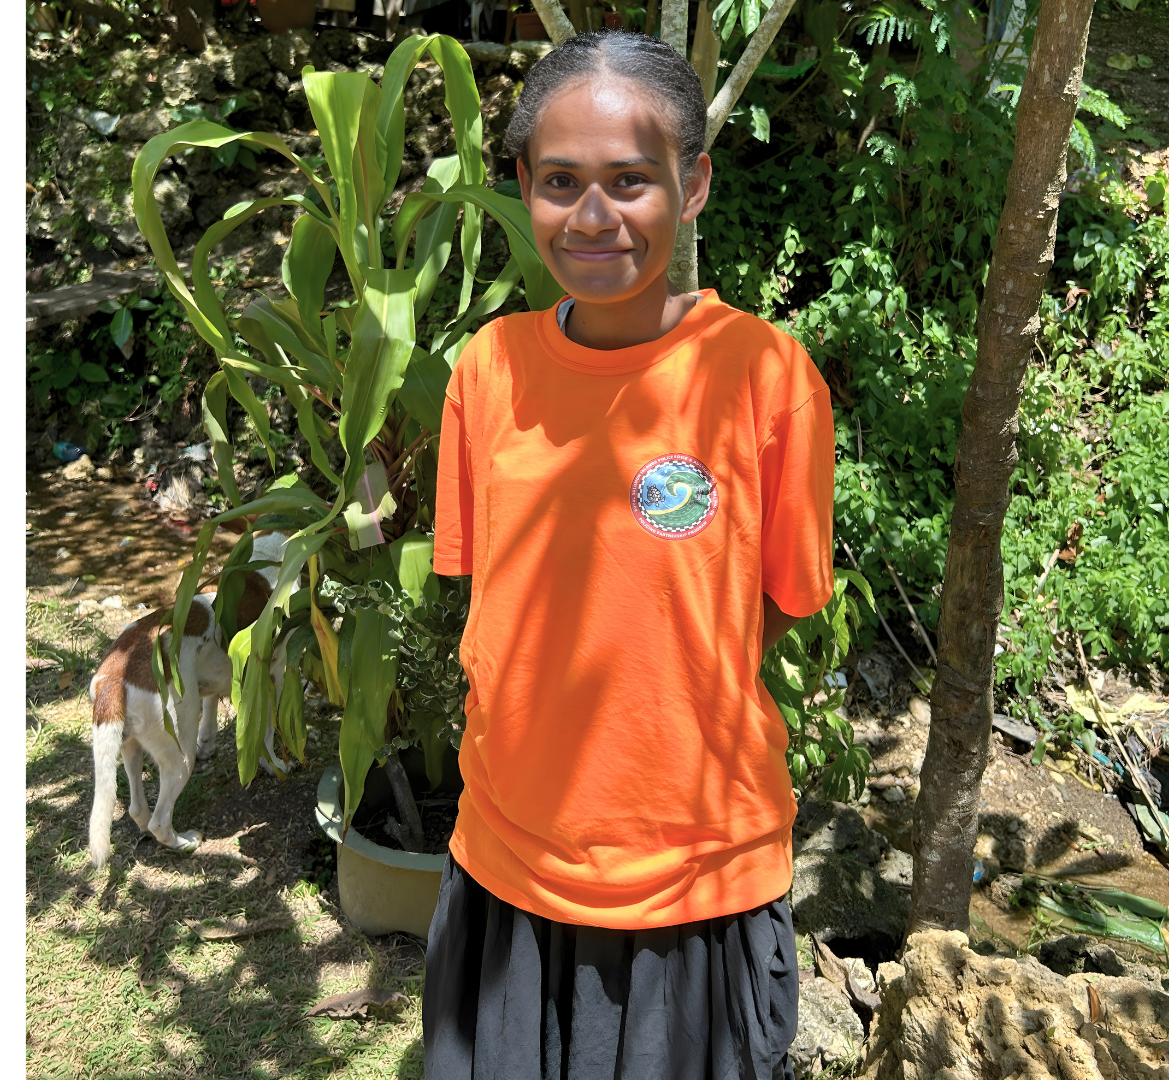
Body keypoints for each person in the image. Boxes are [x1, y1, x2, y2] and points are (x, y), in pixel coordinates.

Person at [422, 29, 837, 1080]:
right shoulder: (489, 371)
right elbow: (495, 596)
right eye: (561, 181)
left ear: (692, 187)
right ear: (524, 187)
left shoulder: (766, 378)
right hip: (511, 860)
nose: (593, 215)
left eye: (631, 180)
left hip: (697, 876)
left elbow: (776, 602)